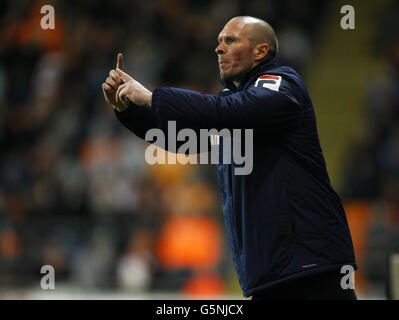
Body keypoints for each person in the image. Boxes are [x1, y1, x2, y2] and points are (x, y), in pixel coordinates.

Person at [102, 16, 357, 300]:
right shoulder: (234, 107)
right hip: (270, 273)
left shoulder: (282, 83)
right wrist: (127, 110)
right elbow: (181, 138)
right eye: (219, 41)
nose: (218, 48)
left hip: (310, 266)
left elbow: (229, 111)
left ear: (260, 51)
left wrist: (153, 97)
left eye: (230, 40)